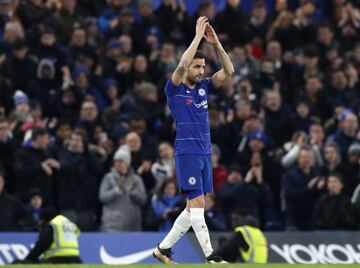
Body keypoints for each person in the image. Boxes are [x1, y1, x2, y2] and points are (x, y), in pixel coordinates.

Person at [153, 16, 234, 264]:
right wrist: (198, 36)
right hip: (187, 151)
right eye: (196, 67)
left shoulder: (204, 87)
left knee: (192, 210)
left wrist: (216, 44)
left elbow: (229, 71)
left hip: (205, 153)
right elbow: (180, 66)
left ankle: (163, 250)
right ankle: (211, 256)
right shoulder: (174, 89)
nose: (200, 71)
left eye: (202, 67)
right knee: (198, 204)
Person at [14, 207, 82, 264]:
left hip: (57, 258)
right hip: (76, 259)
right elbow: (77, 233)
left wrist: (28, 260)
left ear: (45, 219)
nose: (40, 224)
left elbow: (41, 246)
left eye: (41, 221)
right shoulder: (69, 223)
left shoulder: (53, 225)